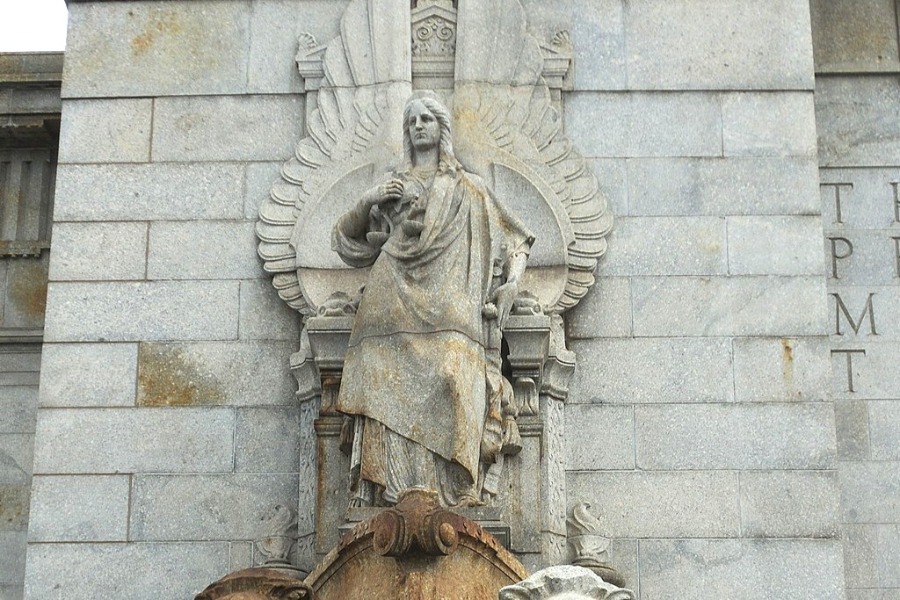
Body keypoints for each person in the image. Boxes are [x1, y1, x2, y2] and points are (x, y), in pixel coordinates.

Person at [331, 91, 534, 508]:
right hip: (390, 296)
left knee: (455, 373)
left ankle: (457, 487)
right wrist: (369, 200)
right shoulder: (393, 186)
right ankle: (388, 492)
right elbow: (344, 238)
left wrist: (511, 285)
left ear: (441, 128)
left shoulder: (469, 189)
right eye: (411, 121)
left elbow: (517, 241)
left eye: (426, 118)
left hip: (449, 303)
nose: (418, 125)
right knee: (378, 373)